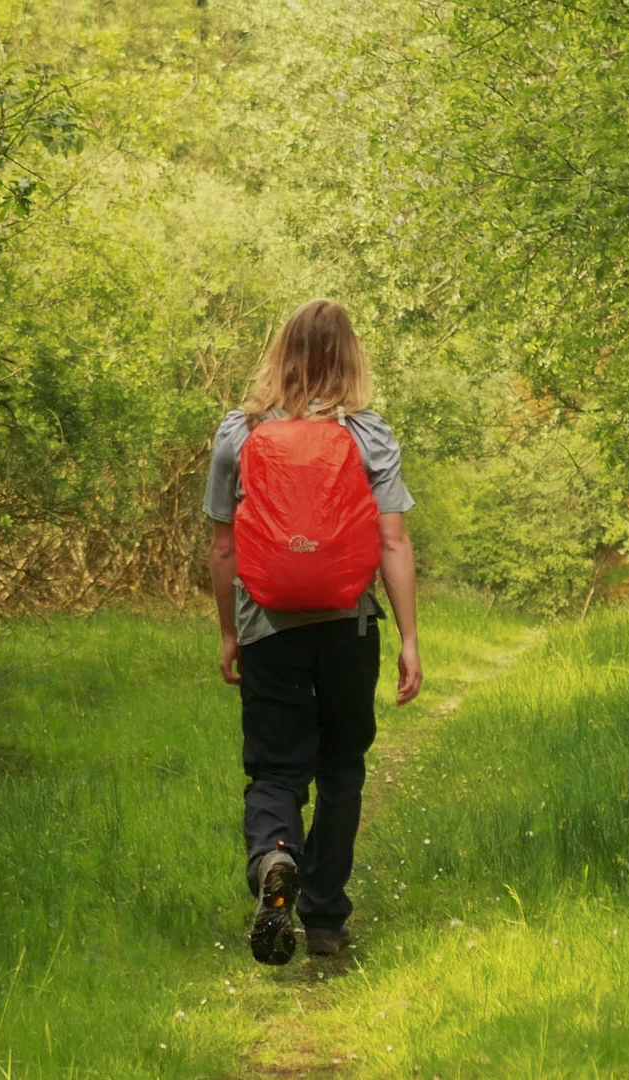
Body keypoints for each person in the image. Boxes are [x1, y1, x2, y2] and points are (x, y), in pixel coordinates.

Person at [203, 298, 422, 965]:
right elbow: (392, 541)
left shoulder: (237, 434)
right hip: (347, 628)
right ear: (350, 356)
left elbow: (221, 547)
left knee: (275, 769)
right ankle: (325, 919)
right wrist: (410, 639)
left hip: (268, 627)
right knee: (341, 768)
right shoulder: (370, 434)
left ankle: (275, 857)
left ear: (280, 350)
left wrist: (230, 632)